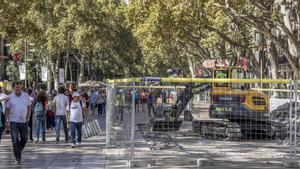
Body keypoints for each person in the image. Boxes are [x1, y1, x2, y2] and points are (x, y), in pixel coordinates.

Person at [5, 81, 32, 164]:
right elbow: (7, 110)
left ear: (22, 87)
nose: (18, 89)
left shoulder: (26, 96)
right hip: (13, 121)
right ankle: (18, 158)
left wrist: (28, 117)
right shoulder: (9, 97)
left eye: (20, 87)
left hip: (23, 121)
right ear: (13, 88)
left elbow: (29, 107)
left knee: (25, 138)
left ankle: (17, 151)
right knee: (15, 140)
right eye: (17, 87)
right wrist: (7, 121)